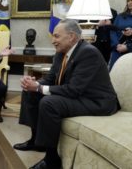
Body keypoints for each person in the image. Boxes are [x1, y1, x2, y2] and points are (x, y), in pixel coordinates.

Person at [14, 19, 117, 169]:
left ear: (72, 37)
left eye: (56, 36)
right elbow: (50, 79)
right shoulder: (61, 53)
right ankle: (35, 141)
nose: (53, 40)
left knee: (49, 102)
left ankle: (51, 160)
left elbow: (73, 90)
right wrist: (33, 84)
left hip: (97, 101)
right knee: (30, 93)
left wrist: (39, 88)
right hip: (78, 95)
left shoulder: (88, 53)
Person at [109, 0, 132, 70]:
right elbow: (113, 32)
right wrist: (116, 45)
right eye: (128, 1)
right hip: (118, 50)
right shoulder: (120, 16)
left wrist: (128, 47)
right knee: (114, 75)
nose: (129, 2)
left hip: (130, 51)